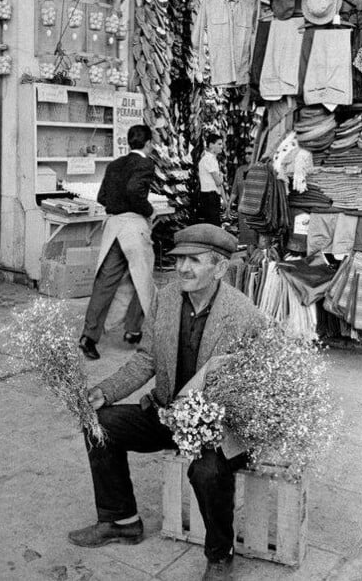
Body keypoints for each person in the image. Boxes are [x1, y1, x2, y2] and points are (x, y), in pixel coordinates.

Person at [69, 224, 263, 581]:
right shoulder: (167, 298)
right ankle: (121, 520)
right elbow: (147, 359)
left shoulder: (243, 314)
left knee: (207, 471)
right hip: (168, 413)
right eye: (179, 260)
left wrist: (217, 421)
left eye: (195, 260)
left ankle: (220, 555)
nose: (184, 268)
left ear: (219, 268)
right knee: (99, 424)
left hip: (215, 426)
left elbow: (254, 383)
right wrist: (107, 391)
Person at [79, 124, 156, 361]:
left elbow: (102, 197)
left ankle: (89, 337)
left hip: (113, 227)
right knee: (141, 279)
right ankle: (133, 330)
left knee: (105, 282)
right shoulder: (146, 164)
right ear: (148, 143)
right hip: (134, 227)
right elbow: (134, 190)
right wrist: (148, 210)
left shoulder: (114, 165)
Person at [227, 146, 258, 248]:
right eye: (245, 153)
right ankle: (250, 260)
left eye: (249, 153)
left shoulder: (260, 169)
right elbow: (235, 191)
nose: (247, 156)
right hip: (243, 210)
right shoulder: (240, 170)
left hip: (256, 210)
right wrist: (229, 205)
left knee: (257, 240)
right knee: (247, 239)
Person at [198, 133, 227, 227]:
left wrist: (224, 198)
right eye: (219, 144)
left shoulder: (212, 159)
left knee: (214, 225)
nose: (221, 146)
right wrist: (221, 177)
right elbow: (218, 181)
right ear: (211, 145)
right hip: (209, 197)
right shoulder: (208, 159)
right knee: (213, 226)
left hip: (212, 196)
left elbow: (218, 183)